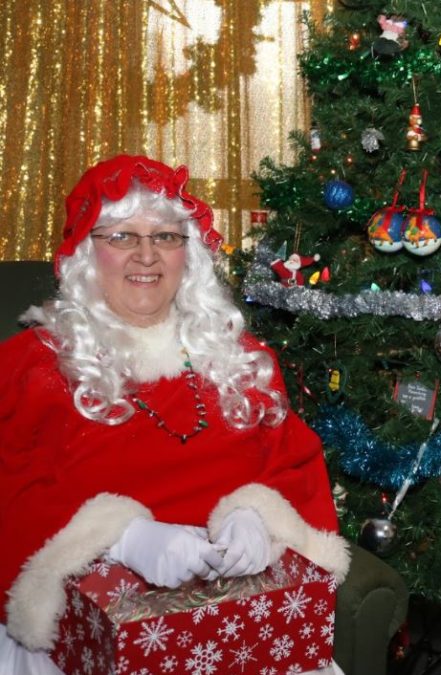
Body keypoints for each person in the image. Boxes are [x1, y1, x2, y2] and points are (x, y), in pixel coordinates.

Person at [0, 155, 350, 674]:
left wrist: (259, 516)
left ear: (190, 255)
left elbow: (293, 463)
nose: (146, 255)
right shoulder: (31, 365)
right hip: (82, 636)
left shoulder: (241, 361)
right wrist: (117, 538)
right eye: (121, 237)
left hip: (239, 623)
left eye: (165, 236)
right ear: (85, 254)